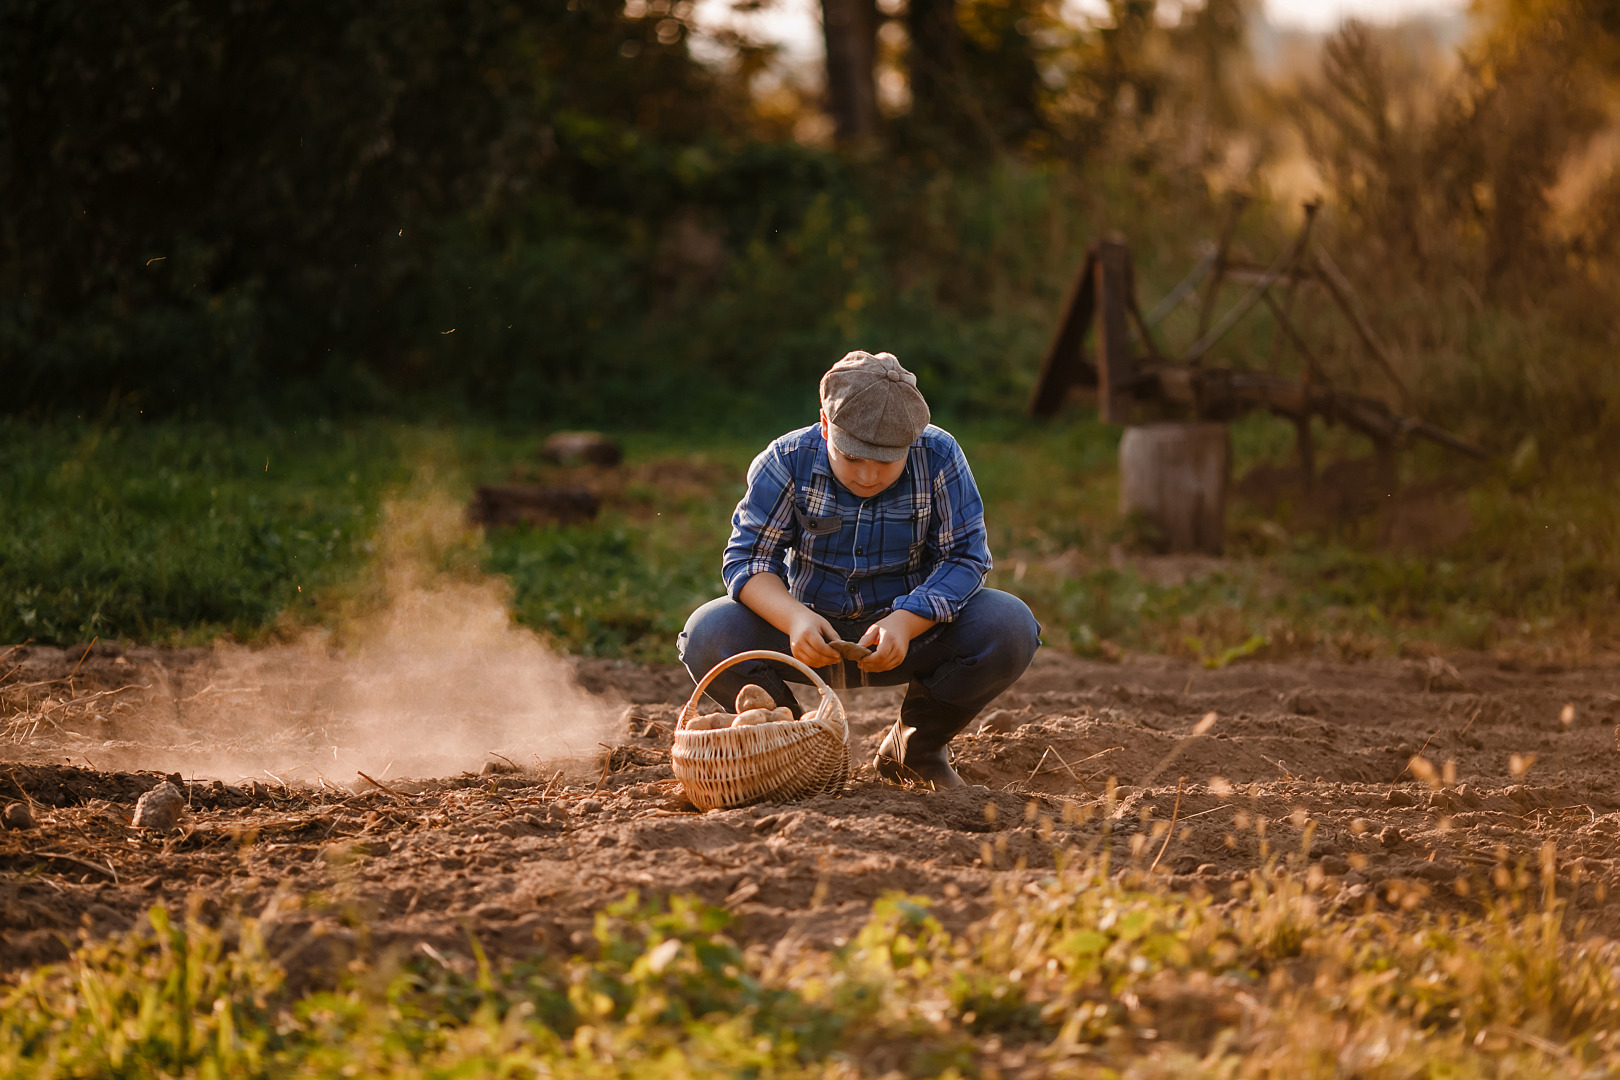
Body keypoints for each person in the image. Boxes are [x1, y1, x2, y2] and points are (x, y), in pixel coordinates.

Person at [678, 350, 1040, 789]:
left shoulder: (940, 456)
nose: (868, 475)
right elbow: (748, 560)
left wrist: (906, 623)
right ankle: (792, 746)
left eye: (886, 462)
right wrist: (794, 618)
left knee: (1009, 624)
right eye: (851, 458)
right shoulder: (786, 460)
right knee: (707, 633)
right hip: (809, 631)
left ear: (913, 438)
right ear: (826, 425)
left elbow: (964, 557)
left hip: (910, 631)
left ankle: (915, 750)